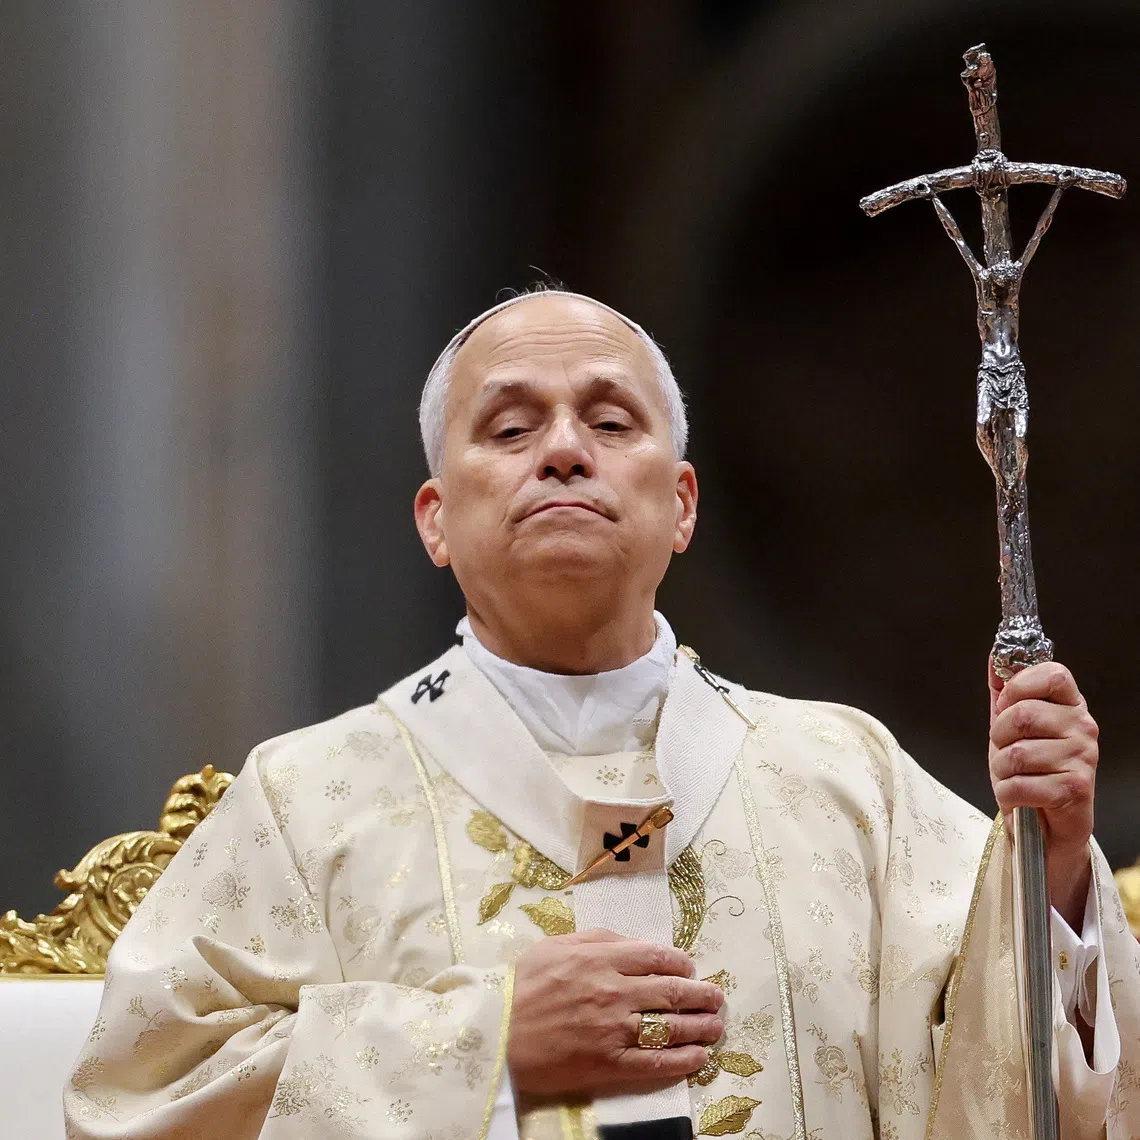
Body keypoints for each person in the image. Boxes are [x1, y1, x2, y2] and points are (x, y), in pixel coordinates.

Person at [64, 289, 1139, 1140]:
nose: (565, 449)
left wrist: (1049, 872)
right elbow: (141, 1103)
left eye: (610, 419)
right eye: (513, 425)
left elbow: (1032, 1094)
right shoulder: (304, 802)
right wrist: (485, 1047)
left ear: (681, 504)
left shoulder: (846, 776)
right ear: (437, 520)